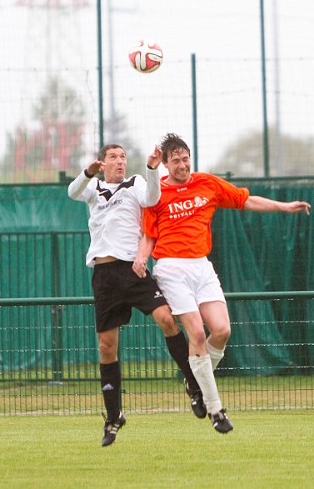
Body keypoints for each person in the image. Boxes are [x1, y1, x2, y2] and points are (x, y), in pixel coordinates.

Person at [133, 132, 311, 434]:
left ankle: (195, 382)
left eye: (185, 158)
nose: (182, 164)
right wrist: (141, 258)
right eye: (175, 160)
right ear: (165, 164)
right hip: (172, 268)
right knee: (197, 337)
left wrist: (283, 206)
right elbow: (149, 234)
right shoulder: (156, 193)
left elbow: (246, 199)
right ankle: (216, 410)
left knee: (222, 330)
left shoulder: (207, 183)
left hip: (202, 267)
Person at [67, 143, 207, 448]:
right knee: (106, 347)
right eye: (113, 157)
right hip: (104, 277)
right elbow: (73, 192)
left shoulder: (136, 184)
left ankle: (194, 384)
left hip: (134, 270)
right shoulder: (94, 190)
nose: (120, 162)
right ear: (102, 163)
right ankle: (113, 416)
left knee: (167, 319)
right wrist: (88, 173)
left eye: (122, 157)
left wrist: (152, 169)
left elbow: (152, 198)